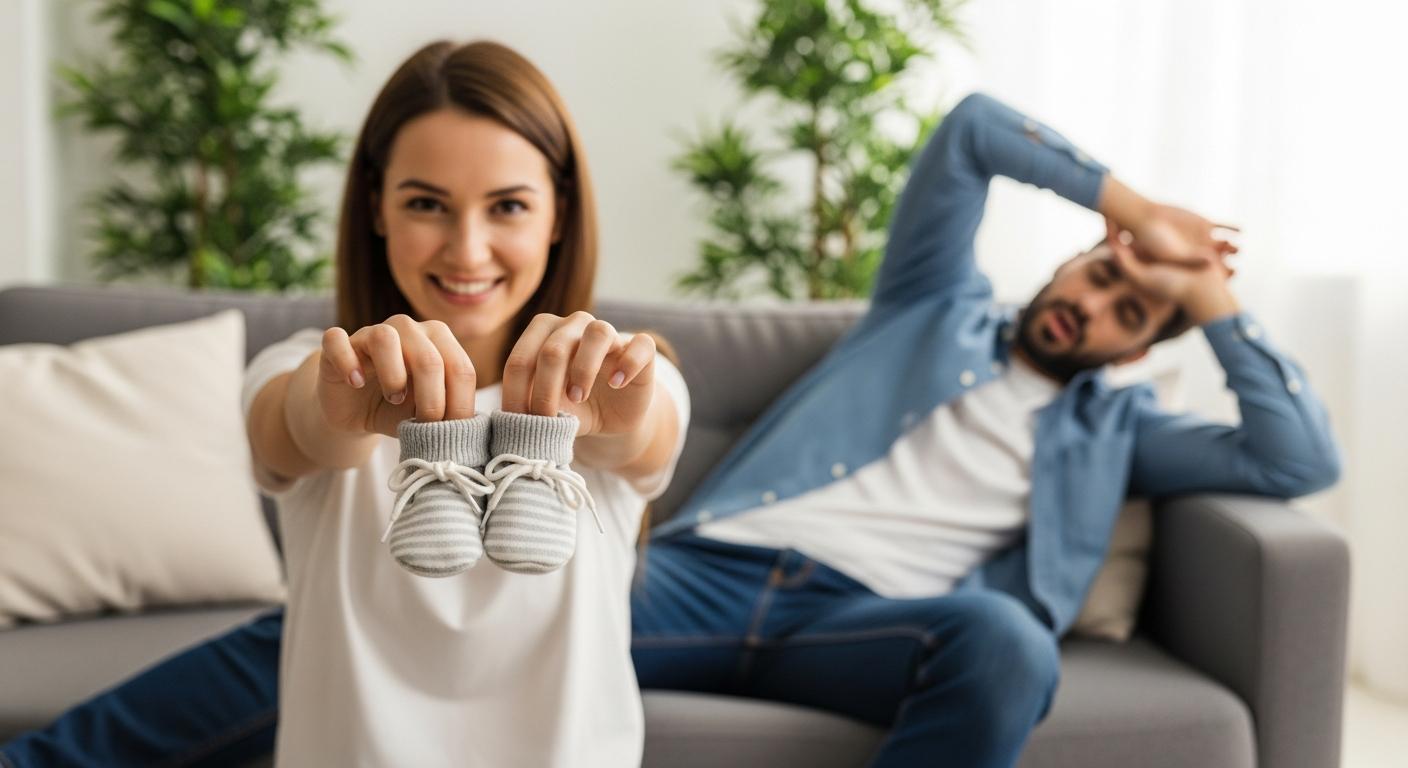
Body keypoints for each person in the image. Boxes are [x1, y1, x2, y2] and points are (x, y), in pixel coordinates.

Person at [2, 89, 1338, 767]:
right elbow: (972, 131)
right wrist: (1138, 206)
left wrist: (1215, 300)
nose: (1097, 301)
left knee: (1002, 642)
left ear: (1140, 345)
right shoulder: (930, 311)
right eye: (1102, 270)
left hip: (870, 630)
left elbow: (1296, 462)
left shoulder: (1123, 435)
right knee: (384, 607)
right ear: (1075, 261)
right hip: (696, 577)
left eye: (1130, 310)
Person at [0, 39, 688, 768]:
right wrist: (338, 408)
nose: (467, 249)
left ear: (558, 216)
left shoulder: (625, 379)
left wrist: (606, 412)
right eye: (427, 203)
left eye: (508, 206)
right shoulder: (308, 368)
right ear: (377, 210)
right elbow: (293, 430)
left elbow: (639, 434)